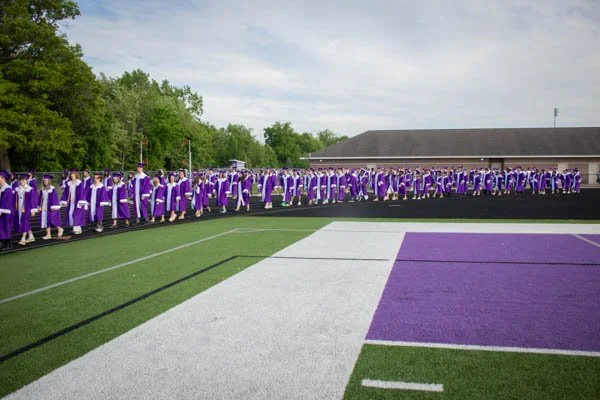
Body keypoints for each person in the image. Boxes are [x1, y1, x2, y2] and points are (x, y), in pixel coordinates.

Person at [60, 168, 87, 235]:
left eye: (73, 174)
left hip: (77, 202)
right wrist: (65, 200)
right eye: (71, 174)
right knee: (70, 214)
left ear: (76, 174)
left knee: (76, 214)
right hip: (71, 202)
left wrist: (80, 202)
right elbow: (65, 192)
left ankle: (75, 228)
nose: (72, 175)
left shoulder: (79, 183)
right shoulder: (68, 183)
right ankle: (79, 228)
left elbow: (81, 192)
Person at [38, 174, 64, 239]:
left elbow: (54, 198)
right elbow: (40, 198)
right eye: (44, 181)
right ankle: (48, 234)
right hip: (44, 206)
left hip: (51, 207)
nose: (45, 182)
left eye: (46, 180)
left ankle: (60, 229)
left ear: (49, 181)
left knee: (51, 220)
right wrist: (39, 206)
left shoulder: (52, 189)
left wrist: (52, 207)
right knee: (46, 220)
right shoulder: (42, 189)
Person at [14, 173, 37, 245]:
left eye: (25, 180)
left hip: (27, 208)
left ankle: (23, 238)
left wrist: (33, 210)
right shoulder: (17, 189)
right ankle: (31, 236)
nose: (23, 181)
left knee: (24, 221)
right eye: (22, 180)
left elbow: (33, 200)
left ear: (27, 180)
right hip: (18, 208)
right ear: (20, 181)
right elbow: (14, 199)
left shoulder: (30, 189)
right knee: (25, 222)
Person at [0, 171, 15, 250]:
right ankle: (3, 243)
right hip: (3, 211)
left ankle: (9, 245)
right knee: (2, 227)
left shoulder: (7, 189)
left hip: (7, 211)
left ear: (3, 178)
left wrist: (1, 210)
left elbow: (5, 202)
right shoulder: (2, 188)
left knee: (6, 227)